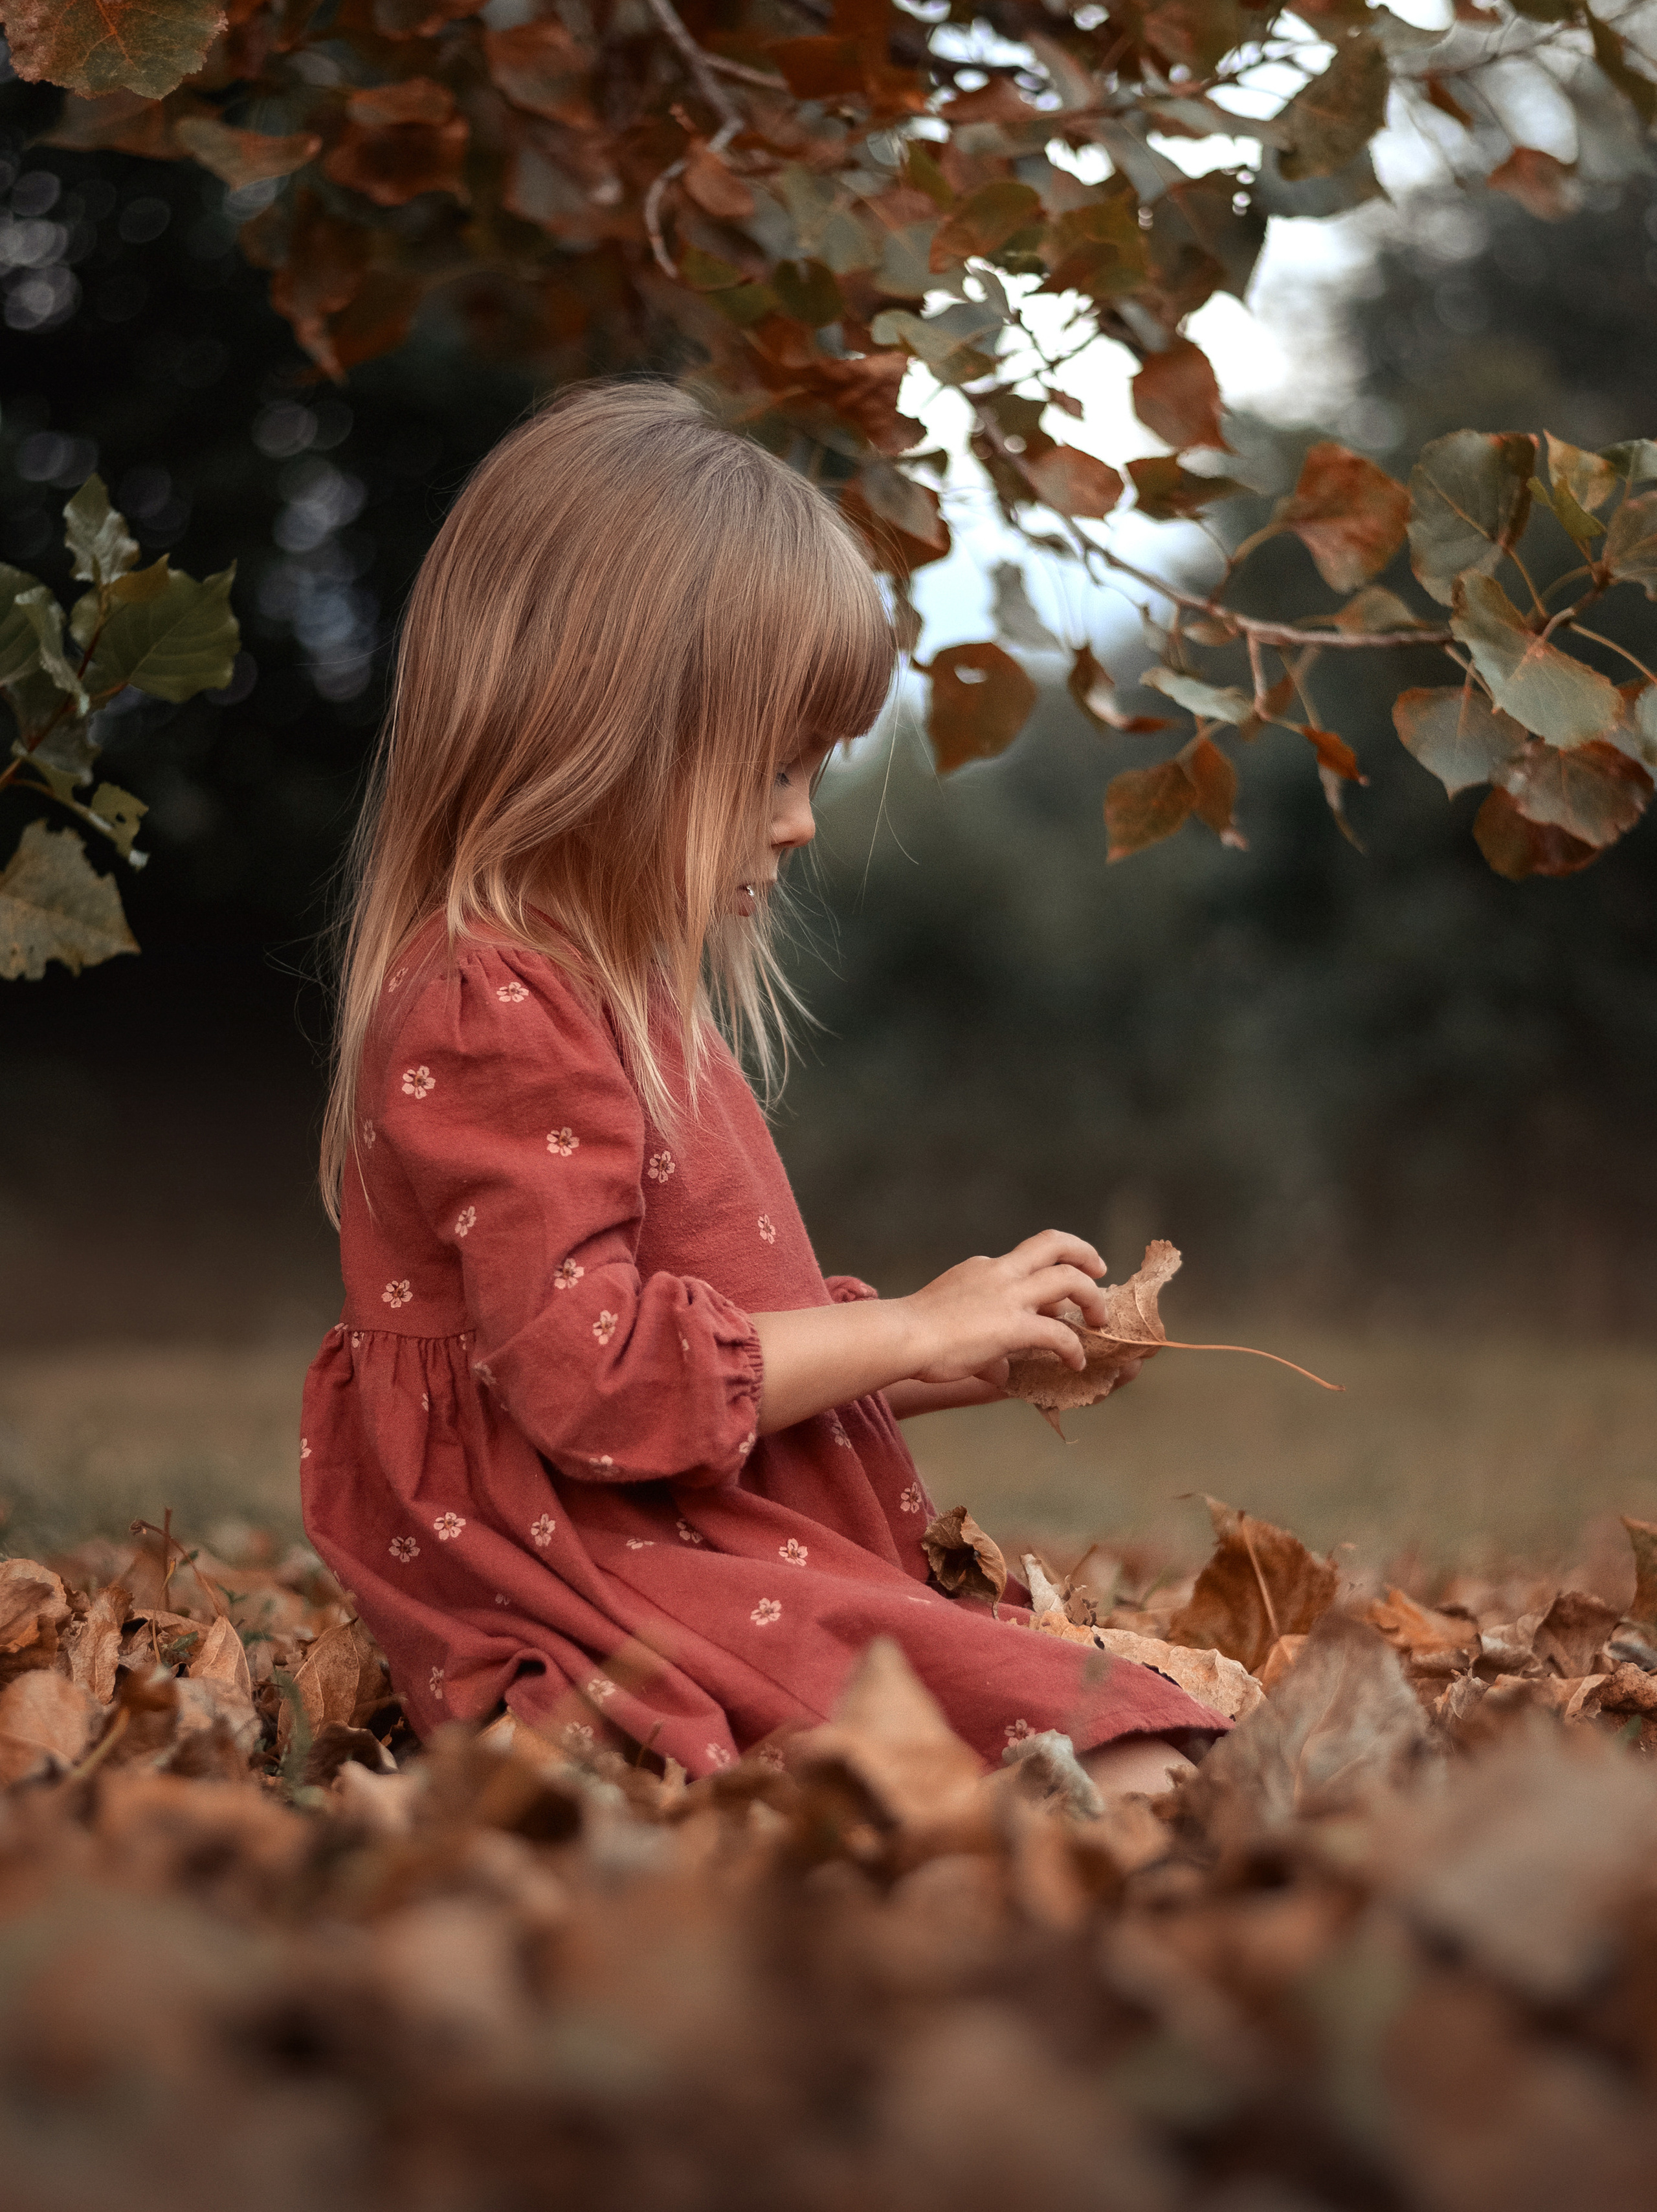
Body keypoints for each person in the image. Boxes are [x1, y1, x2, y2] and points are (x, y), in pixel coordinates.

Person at [302, 382, 1223, 1793]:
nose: (798, 818)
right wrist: (907, 1329)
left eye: (815, 768)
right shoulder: (492, 1002)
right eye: (772, 766)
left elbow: (693, 1353)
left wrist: (941, 1356)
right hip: (606, 1576)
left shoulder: (601, 994)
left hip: (671, 1534)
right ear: (601, 725)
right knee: (1112, 1750)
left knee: (1121, 1728)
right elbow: (593, 1380)